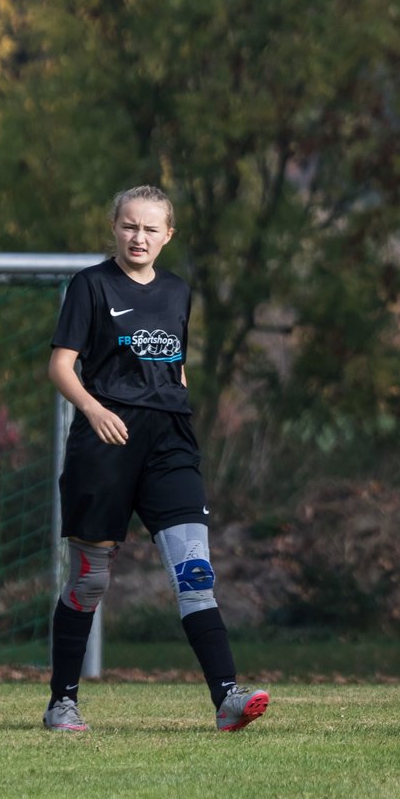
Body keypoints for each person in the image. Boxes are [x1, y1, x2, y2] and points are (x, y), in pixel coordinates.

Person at [44, 185, 269, 733]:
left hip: (169, 443)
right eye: (128, 226)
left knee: (195, 573)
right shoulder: (90, 285)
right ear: (114, 228)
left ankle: (227, 699)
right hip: (106, 441)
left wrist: (179, 412)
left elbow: (175, 366)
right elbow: (60, 366)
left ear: (168, 235)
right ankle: (62, 704)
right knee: (91, 579)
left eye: (149, 229)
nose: (138, 237)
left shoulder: (177, 291)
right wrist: (93, 411)